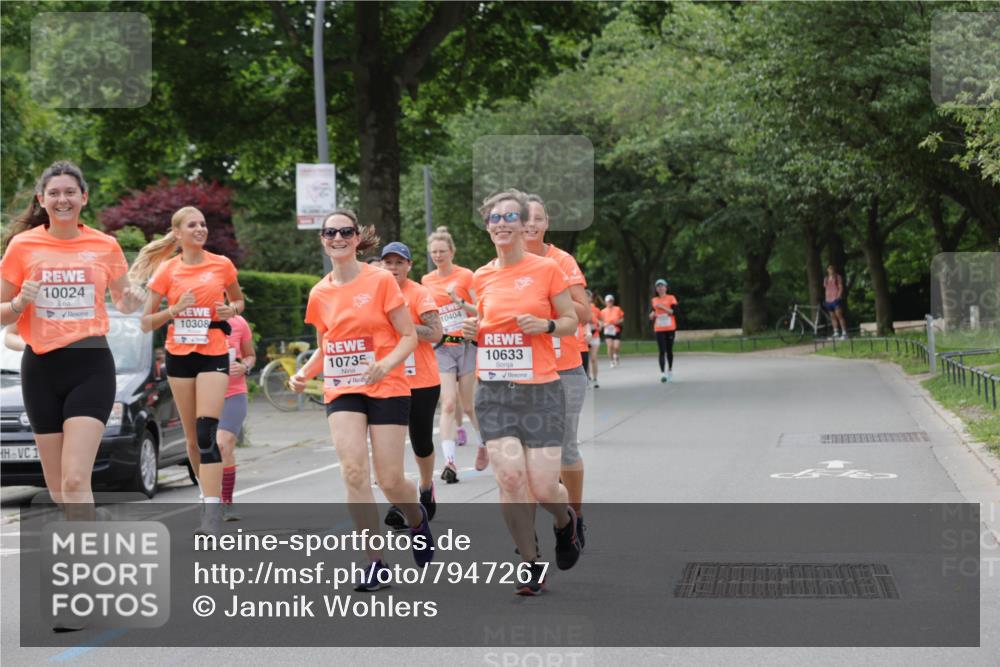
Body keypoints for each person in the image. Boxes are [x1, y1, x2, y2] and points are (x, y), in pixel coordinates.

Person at [290, 209, 433, 590]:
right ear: (322, 239)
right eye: (330, 232)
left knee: (388, 479)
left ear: (356, 238)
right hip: (344, 388)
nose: (337, 237)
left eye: (345, 231)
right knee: (352, 471)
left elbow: (409, 336)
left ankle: (416, 518)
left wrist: (385, 365)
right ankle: (375, 561)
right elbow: (327, 347)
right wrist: (304, 373)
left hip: (386, 385)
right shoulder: (319, 293)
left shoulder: (381, 280)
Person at [1, 161, 144, 527]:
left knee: (76, 479)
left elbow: (124, 301)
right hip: (41, 368)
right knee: (59, 490)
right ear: (41, 200)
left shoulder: (104, 245)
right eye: (54, 193)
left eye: (69, 192)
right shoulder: (23, 245)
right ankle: (94, 527)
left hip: (90, 364)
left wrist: (134, 297)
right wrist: (19, 304)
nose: (62, 199)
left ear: (83, 197)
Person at [462, 189, 581, 595]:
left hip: (541, 391)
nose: (502, 225)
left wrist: (546, 326)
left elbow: (571, 319)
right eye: (494, 219)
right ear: (487, 225)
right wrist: (473, 332)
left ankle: (566, 523)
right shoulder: (480, 276)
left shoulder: (547, 269)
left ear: (522, 224)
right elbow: (485, 327)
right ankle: (530, 562)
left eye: (510, 218)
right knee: (511, 479)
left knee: (544, 487)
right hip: (494, 392)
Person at [131, 206, 245, 537]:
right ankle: (206, 496)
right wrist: (174, 309)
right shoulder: (167, 271)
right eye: (192, 225)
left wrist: (231, 309)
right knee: (193, 441)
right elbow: (145, 322)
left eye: (203, 224)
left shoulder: (221, 265)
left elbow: (239, 302)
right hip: (179, 356)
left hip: (213, 351)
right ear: (178, 234)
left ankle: (212, 512)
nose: (200, 229)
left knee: (207, 431)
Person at [524, 194, 590, 547]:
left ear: (546, 223)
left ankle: (574, 519)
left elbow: (584, 311)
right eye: (525, 218)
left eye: (538, 218)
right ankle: (527, 540)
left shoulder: (561, 261)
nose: (531, 223)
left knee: (564, 449)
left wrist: (549, 314)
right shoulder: (505, 264)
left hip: (564, 367)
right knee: (524, 456)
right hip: (522, 372)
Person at [378, 242, 444, 528]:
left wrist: (403, 323)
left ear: (409, 265)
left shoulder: (419, 294)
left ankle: (426, 486)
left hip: (422, 380)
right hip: (389, 379)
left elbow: (436, 333)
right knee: (391, 446)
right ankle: (399, 501)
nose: (393, 268)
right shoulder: (373, 293)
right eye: (388, 263)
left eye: (399, 263)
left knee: (421, 441)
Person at [422, 226, 487, 482]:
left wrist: (457, 301)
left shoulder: (466, 276)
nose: (438, 256)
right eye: (433, 252)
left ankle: (483, 445)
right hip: (442, 348)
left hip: (467, 345)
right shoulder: (426, 280)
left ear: (452, 251)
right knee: (448, 403)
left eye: (442, 251)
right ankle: (449, 462)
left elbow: (480, 311)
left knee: (469, 405)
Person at [217, 314, 255, 521]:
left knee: (225, 444)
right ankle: (210, 498)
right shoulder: (196, 320)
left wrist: (245, 366)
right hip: (204, 393)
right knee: (208, 448)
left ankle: (227, 502)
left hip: (234, 392)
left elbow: (250, 355)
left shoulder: (239, 322)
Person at [649, 278, 678, 382]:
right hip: (659, 328)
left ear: (666, 287)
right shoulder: (654, 300)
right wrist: (651, 315)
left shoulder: (671, 298)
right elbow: (652, 313)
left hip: (670, 327)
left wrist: (662, 307)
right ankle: (662, 373)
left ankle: (670, 370)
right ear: (656, 289)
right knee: (662, 351)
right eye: (658, 286)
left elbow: (674, 311)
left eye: (662, 286)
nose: (660, 288)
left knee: (669, 350)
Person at [823, 265, 848, 339]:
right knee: (832, 317)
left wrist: (839, 296)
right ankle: (836, 332)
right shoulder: (826, 279)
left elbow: (841, 287)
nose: (831, 270)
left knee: (839, 315)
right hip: (828, 300)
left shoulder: (837, 277)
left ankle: (844, 333)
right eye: (829, 268)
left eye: (832, 268)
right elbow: (826, 288)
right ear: (827, 270)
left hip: (835, 299)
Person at [601, 295, 625, 367]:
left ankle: (616, 355)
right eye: (608, 301)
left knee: (616, 346)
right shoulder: (602, 311)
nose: (610, 303)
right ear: (606, 302)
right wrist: (603, 324)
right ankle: (611, 361)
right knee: (610, 346)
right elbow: (600, 322)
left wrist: (618, 322)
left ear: (613, 301)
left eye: (611, 301)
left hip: (616, 329)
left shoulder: (617, 309)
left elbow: (622, 318)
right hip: (608, 330)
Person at [587, 291, 602, 388]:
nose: (586, 298)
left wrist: (600, 325)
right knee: (585, 359)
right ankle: (587, 378)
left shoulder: (596, 309)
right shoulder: (580, 308)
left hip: (595, 335)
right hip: (584, 337)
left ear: (591, 298)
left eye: (588, 296)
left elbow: (601, 321)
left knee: (593, 358)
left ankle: (595, 378)